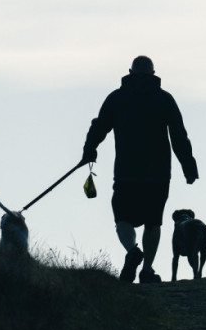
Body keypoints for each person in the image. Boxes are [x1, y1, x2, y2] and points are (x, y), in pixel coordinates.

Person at [82, 56, 199, 284]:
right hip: (158, 173)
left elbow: (100, 126)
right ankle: (147, 269)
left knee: (122, 218)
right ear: (154, 74)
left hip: (127, 170)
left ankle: (132, 250)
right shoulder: (164, 99)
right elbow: (178, 135)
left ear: (130, 72)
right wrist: (188, 165)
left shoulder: (117, 98)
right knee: (153, 222)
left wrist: (89, 149)